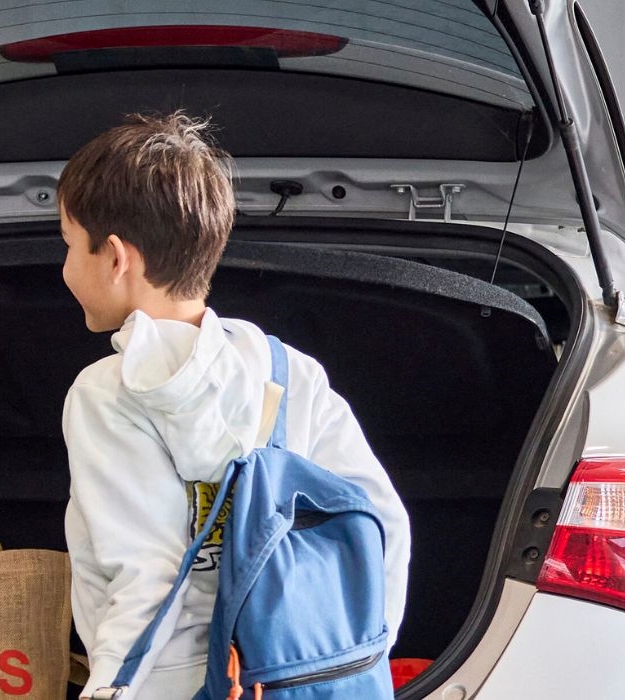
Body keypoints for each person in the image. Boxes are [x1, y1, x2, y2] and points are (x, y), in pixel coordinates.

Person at [54, 113, 409, 700]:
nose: (64, 266)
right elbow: (381, 521)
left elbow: (145, 577)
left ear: (116, 258)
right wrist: (357, 653)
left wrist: (110, 689)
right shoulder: (290, 372)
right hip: (292, 678)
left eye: (69, 246)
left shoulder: (105, 394)